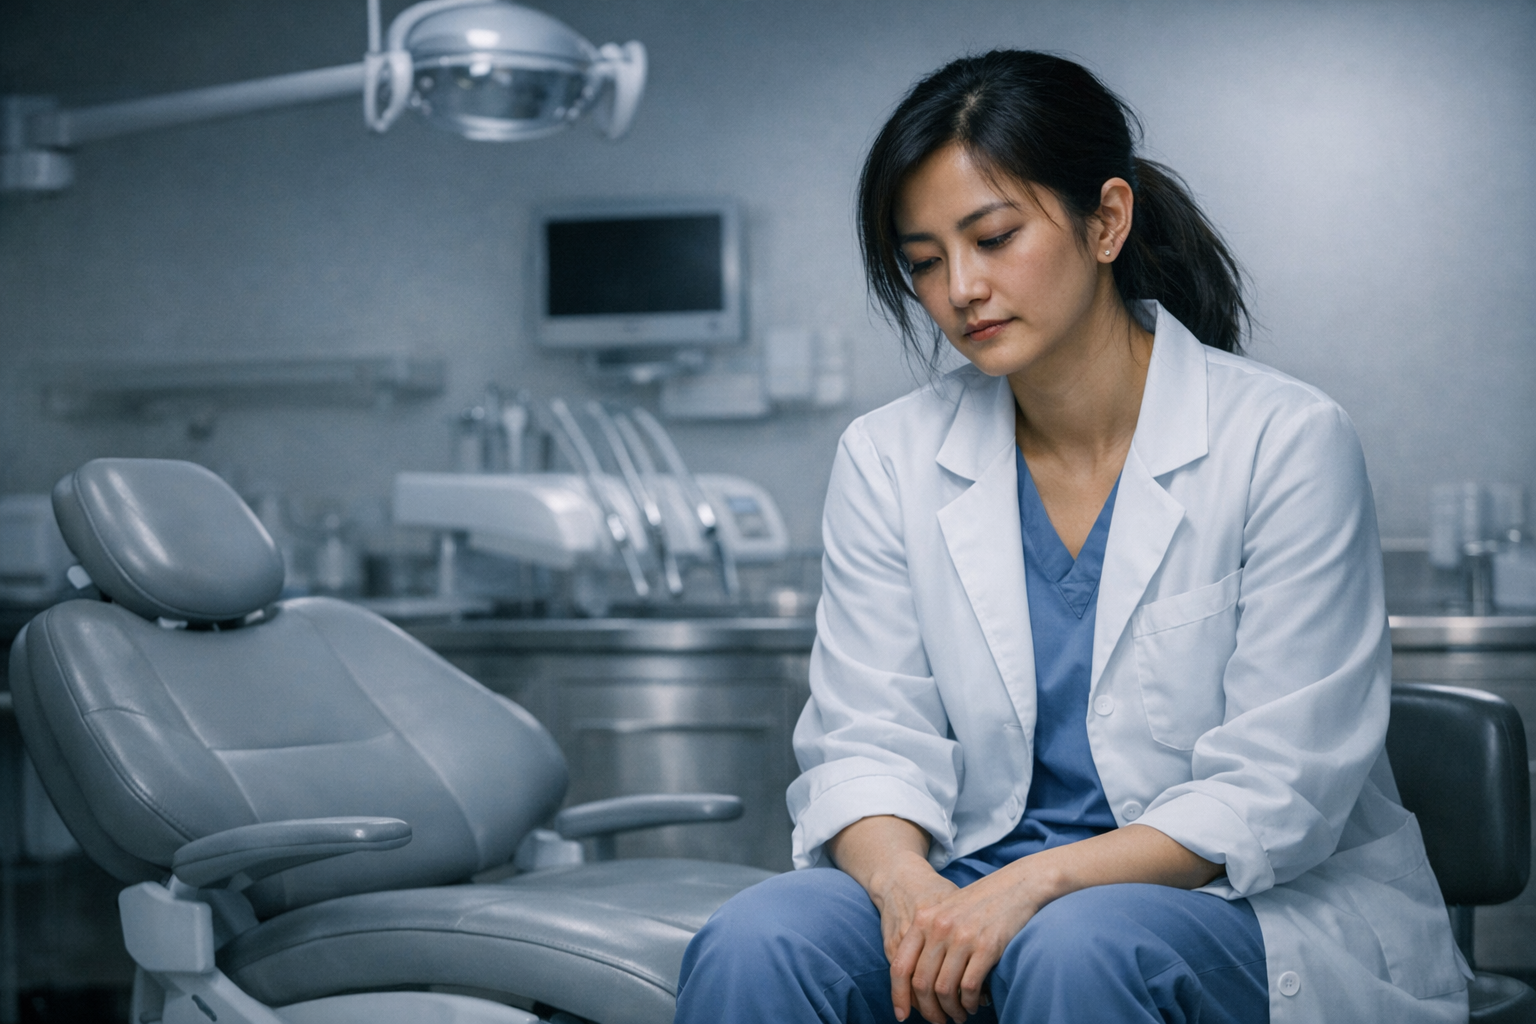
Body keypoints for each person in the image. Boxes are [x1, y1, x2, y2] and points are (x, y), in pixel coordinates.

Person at [673, 50, 1467, 1024]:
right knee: (761, 940)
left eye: (995, 236)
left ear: (1106, 220)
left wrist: (1035, 884)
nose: (961, 286)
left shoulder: (1284, 441)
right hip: (967, 876)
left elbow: (1274, 787)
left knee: (1078, 948)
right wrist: (911, 893)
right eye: (924, 260)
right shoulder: (887, 456)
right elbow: (866, 743)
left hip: (1233, 902)